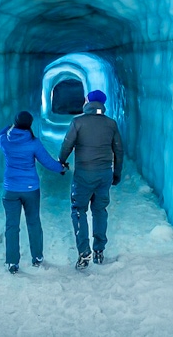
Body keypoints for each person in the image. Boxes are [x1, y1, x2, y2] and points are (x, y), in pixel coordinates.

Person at [0, 111, 67, 274]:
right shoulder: (34, 143)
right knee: (33, 222)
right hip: (30, 189)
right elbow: (48, 162)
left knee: (11, 226)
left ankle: (12, 262)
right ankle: (37, 257)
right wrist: (61, 168)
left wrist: (9, 126)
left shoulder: (5, 140)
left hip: (10, 189)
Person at [58, 90, 123, 270]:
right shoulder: (111, 124)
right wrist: (116, 172)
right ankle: (99, 250)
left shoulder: (78, 122)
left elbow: (67, 145)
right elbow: (118, 150)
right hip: (104, 174)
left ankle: (84, 251)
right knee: (100, 210)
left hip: (84, 174)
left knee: (79, 210)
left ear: (88, 101)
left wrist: (61, 163)